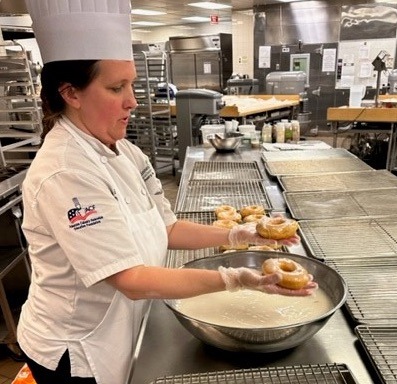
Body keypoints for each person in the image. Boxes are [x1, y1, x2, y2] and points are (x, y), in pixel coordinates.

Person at [18, 1, 318, 383]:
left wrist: (240, 234)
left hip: (124, 323)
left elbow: (167, 227)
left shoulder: (123, 149)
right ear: (70, 93)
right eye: (115, 88)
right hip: (77, 348)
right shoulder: (65, 171)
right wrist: (236, 278)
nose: (133, 100)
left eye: (130, 84)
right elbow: (132, 280)